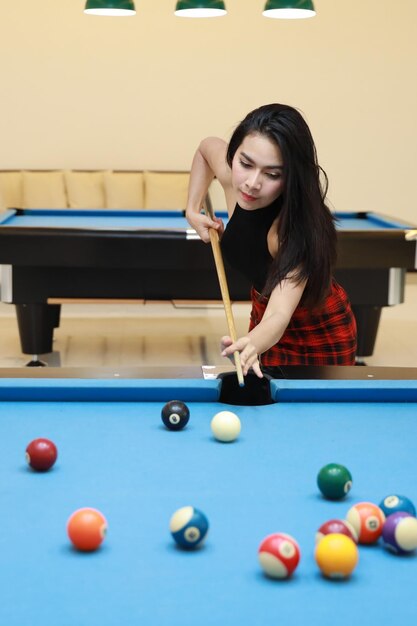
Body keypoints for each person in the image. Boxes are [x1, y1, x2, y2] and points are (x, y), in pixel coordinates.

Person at [185, 103, 357, 378]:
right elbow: (207, 147)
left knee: (316, 412)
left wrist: (251, 342)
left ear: (292, 177)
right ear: (235, 155)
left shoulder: (294, 233)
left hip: (315, 327)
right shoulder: (233, 179)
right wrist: (192, 209)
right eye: (245, 163)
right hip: (265, 311)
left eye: (272, 174)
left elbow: (279, 314)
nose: (252, 183)